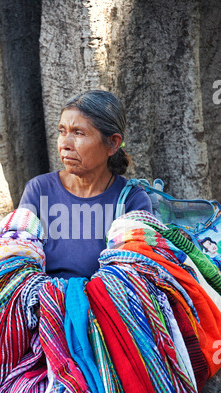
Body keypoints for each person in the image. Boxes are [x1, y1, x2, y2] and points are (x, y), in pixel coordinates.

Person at [20, 90, 152, 279]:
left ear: (113, 144)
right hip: (42, 302)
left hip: (106, 304)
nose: (65, 143)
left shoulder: (132, 200)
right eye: (62, 131)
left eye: (78, 133)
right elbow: (20, 257)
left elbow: (131, 275)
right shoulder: (39, 190)